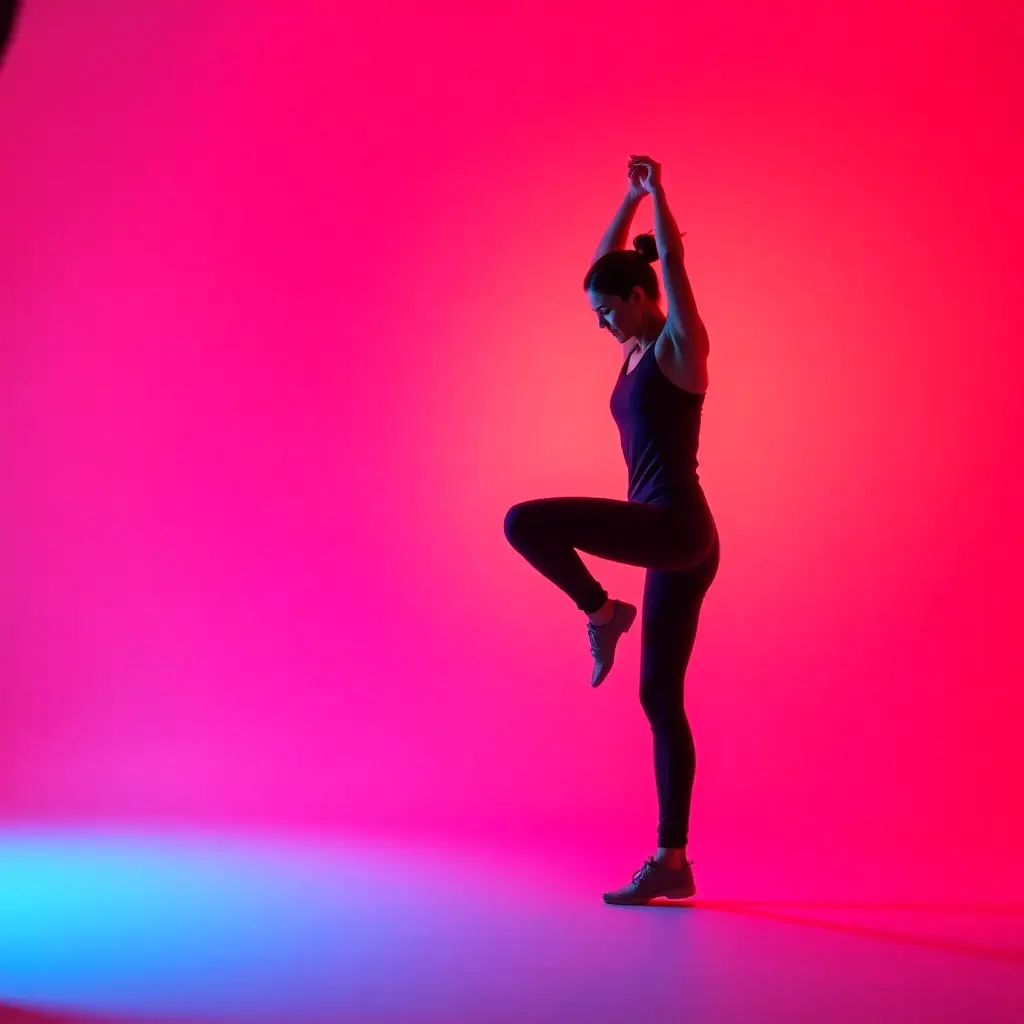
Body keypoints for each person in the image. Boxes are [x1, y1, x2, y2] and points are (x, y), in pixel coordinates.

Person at [503, 155, 720, 906]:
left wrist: (661, 194)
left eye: (608, 309)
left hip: (675, 528)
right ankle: (673, 860)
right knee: (659, 697)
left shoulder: (677, 350)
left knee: (525, 522)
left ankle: (602, 612)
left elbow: (674, 266)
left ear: (640, 297)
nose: (599, 321)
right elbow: (602, 267)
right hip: (677, 544)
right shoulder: (630, 349)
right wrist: (628, 198)